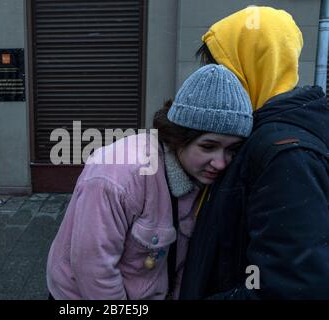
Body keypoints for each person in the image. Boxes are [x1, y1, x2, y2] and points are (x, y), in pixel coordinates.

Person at [46, 64, 253, 300]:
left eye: (232, 150)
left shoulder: (200, 173)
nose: (221, 163)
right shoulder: (118, 177)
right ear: (178, 137)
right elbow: (94, 268)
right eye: (208, 146)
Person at [180, 7, 329, 299]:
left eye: (223, 69)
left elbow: (292, 287)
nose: (216, 83)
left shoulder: (284, 152)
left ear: (253, 66)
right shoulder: (255, 135)